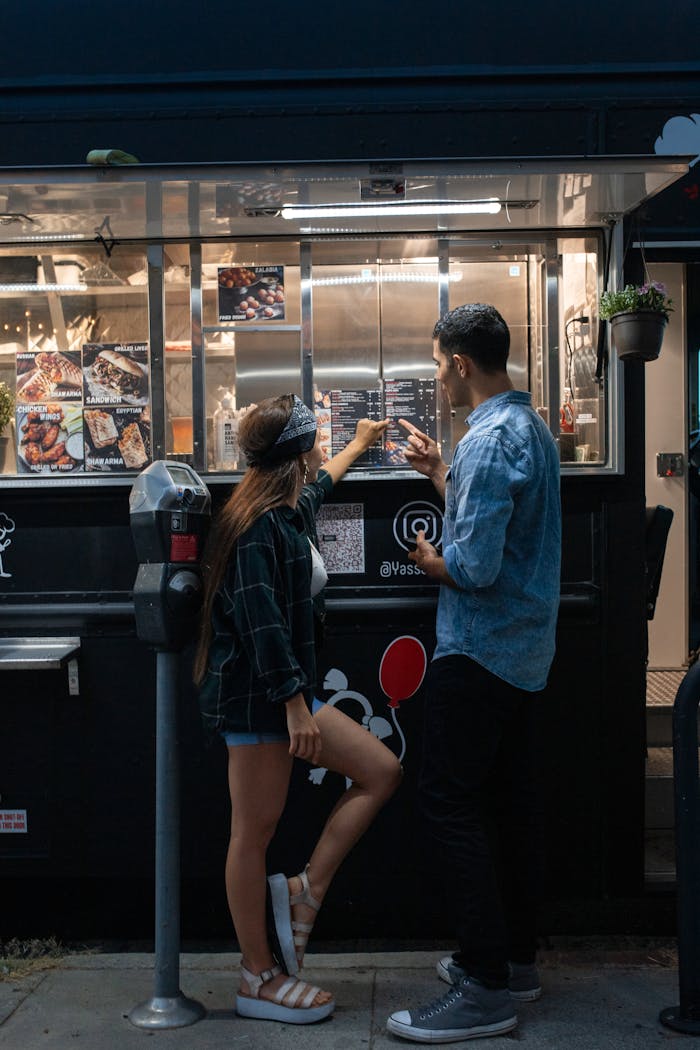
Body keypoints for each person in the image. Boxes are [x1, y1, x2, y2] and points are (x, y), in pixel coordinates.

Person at [194, 393, 401, 1026]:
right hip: (262, 702)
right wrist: (294, 709)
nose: (321, 450)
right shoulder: (256, 528)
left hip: (287, 696)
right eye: (318, 440)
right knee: (251, 835)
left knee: (381, 770)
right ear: (297, 452)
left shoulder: (283, 509)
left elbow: (321, 488)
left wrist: (361, 444)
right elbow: (261, 627)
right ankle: (256, 976)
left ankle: (304, 890)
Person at [387, 303, 561, 1043]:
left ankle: (484, 986)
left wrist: (430, 562)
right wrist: (440, 475)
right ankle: (514, 963)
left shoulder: (489, 441)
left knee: (449, 805)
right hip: (523, 653)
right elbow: (503, 531)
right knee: (506, 807)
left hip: (479, 651)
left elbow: (475, 566)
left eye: (438, 363)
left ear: (460, 363)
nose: (438, 377)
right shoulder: (530, 430)